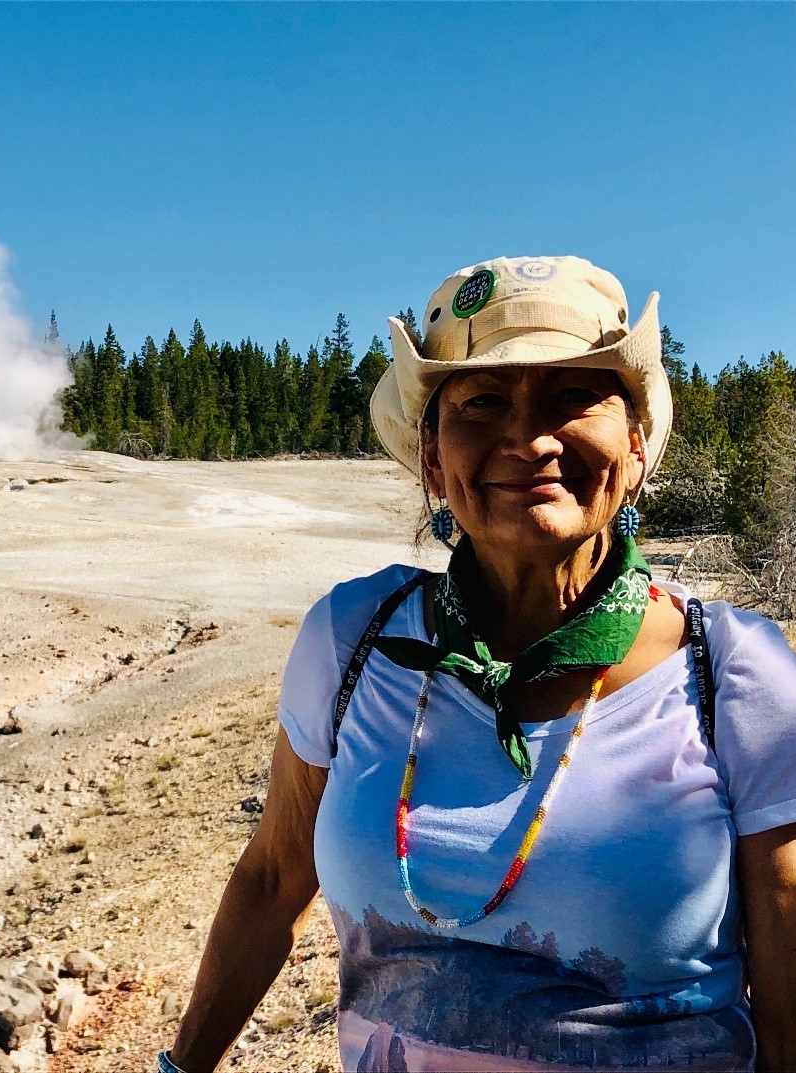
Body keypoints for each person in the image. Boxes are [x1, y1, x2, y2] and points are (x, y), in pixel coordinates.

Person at [161, 256, 796, 1073]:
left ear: (635, 448)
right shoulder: (354, 639)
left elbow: (785, 990)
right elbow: (269, 880)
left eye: (573, 394)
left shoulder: (732, 673)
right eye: (481, 401)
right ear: (431, 459)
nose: (528, 438)